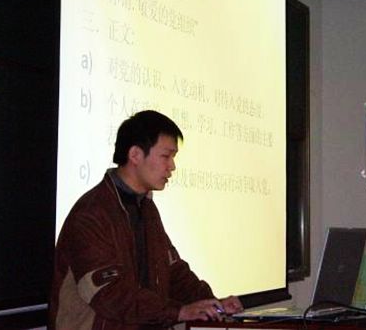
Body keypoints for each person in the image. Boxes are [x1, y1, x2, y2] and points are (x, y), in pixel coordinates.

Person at [49, 110, 243, 330]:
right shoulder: (91, 214)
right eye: (166, 156)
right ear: (135, 155)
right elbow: (111, 294)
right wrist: (178, 311)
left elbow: (174, 272)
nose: (172, 166)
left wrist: (213, 303)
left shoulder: (145, 207)